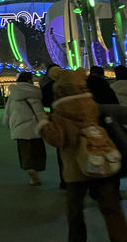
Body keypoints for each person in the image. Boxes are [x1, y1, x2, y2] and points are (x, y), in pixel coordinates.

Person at [37, 66, 127, 242]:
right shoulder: (95, 108)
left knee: (75, 213)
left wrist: (43, 125)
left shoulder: (59, 116)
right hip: (103, 165)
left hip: (75, 172)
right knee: (112, 210)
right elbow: (122, 113)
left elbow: (57, 140)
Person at [2, 71, 47, 185]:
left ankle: (30, 171)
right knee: (37, 152)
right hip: (34, 128)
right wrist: (44, 123)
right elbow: (38, 111)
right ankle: (35, 172)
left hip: (19, 128)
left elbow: (7, 112)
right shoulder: (33, 94)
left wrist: (7, 123)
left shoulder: (13, 95)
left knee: (25, 152)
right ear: (29, 80)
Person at [41, 63, 66, 189]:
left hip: (57, 121)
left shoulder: (46, 87)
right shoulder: (69, 86)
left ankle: (64, 181)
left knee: (61, 151)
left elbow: (44, 105)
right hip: (72, 121)